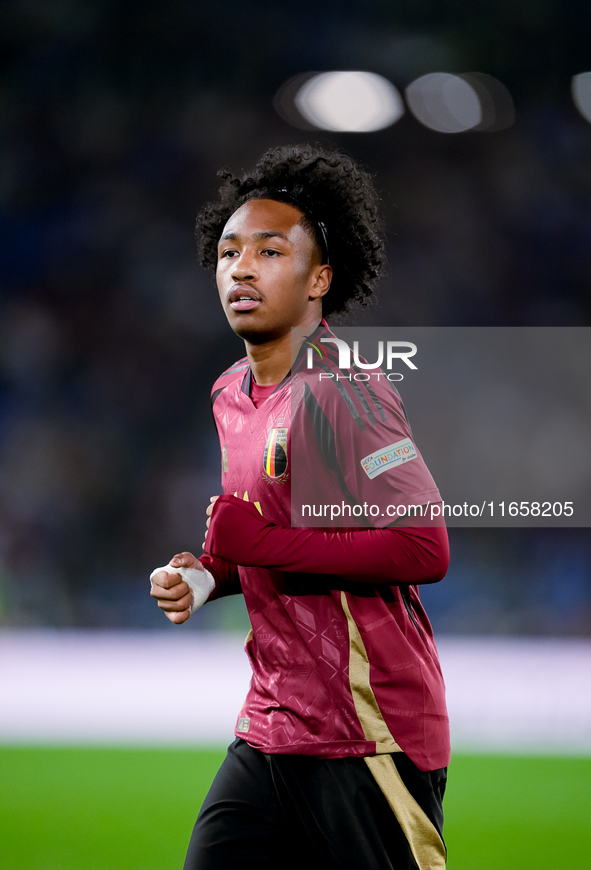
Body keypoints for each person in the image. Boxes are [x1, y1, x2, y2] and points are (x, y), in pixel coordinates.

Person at [150, 143, 450, 870]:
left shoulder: (348, 391)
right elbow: (252, 536)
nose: (241, 268)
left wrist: (260, 545)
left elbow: (424, 548)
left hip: (365, 733)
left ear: (319, 277)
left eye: (268, 251)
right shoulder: (230, 391)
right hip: (270, 727)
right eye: (227, 252)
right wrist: (207, 575)